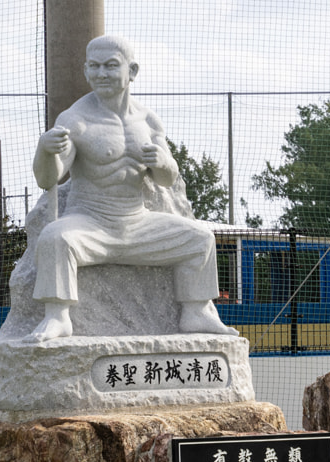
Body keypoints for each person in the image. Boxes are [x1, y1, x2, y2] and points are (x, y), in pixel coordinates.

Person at [28, 35, 238, 342]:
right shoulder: (75, 119)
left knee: (200, 238)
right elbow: (49, 179)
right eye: (94, 67)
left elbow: (167, 179)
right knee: (54, 238)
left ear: (132, 71)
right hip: (90, 222)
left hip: (138, 223)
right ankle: (57, 316)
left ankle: (196, 311)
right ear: (85, 71)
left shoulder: (148, 120)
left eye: (111, 66)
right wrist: (44, 151)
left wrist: (164, 163)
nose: (101, 74)